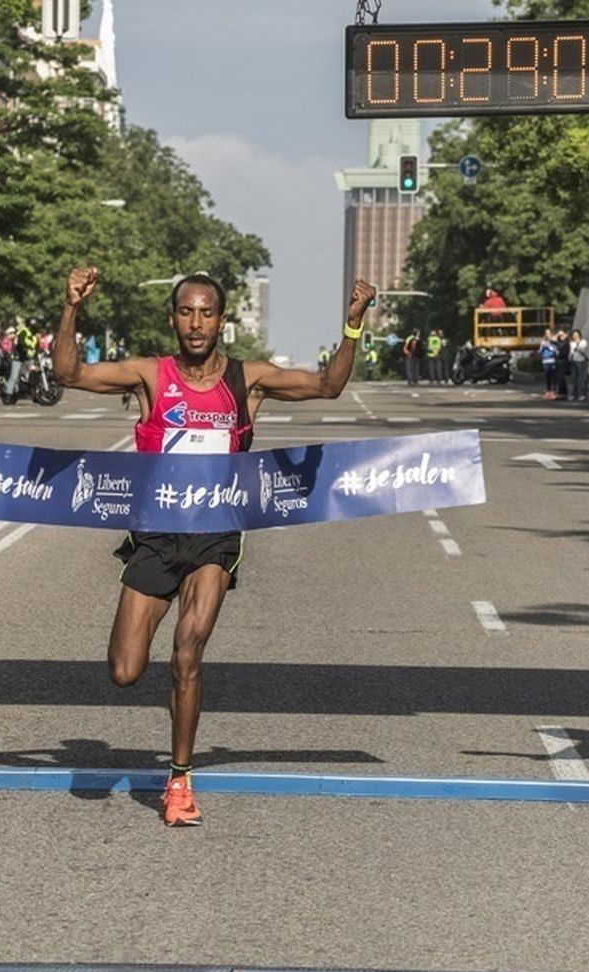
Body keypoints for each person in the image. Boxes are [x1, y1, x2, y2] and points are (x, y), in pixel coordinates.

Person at [52, 267, 377, 827]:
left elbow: (327, 386)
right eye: (186, 312)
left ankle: (179, 778)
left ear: (222, 321)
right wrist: (71, 309)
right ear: (173, 318)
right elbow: (69, 373)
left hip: (215, 536)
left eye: (206, 313)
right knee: (125, 671)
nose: (196, 323)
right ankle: (179, 705)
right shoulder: (150, 376)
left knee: (187, 650)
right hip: (155, 535)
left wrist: (352, 326)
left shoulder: (246, 380)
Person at [569, 328, 589, 401]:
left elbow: (583, 351)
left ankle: (582, 394)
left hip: (581, 361)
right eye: (574, 335)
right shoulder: (571, 343)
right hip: (574, 361)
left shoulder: (583, 342)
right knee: (574, 378)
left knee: (581, 378)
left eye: (577, 335)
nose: (575, 336)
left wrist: (577, 344)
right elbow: (571, 351)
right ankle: (574, 394)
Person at [538, 329, 557, 399]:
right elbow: (540, 351)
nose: (547, 335)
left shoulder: (554, 341)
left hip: (552, 360)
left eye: (549, 333)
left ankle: (553, 391)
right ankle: (548, 391)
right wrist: (543, 347)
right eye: (546, 333)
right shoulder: (543, 341)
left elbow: (555, 350)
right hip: (545, 360)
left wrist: (549, 346)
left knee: (553, 377)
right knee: (547, 377)